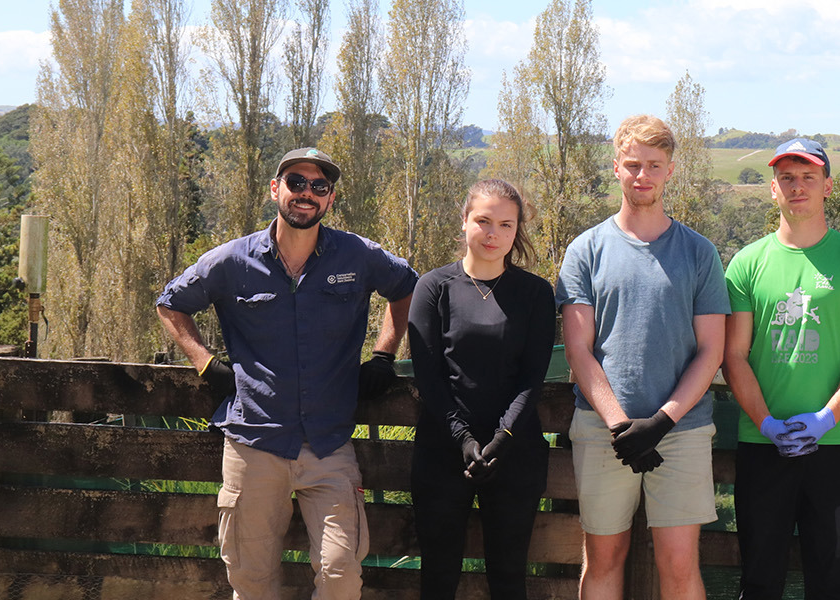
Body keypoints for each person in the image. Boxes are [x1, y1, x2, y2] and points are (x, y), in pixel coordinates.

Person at [156, 147, 417, 599]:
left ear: (330, 199)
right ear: (276, 189)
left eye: (319, 186)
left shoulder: (356, 256)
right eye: (296, 182)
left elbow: (408, 289)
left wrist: (383, 355)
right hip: (253, 443)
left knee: (341, 576)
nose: (307, 194)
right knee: (251, 581)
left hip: (329, 444)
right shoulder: (233, 261)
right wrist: (204, 361)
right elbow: (170, 303)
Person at [555, 114, 730, 600]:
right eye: (633, 164)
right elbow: (578, 350)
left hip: (683, 430)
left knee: (678, 563)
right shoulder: (585, 250)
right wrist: (619, 426)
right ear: (616, 167)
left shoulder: (699, 252)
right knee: (603, 558)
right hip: (600, 428)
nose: (642, 176)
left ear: (670, 170)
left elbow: (711, 350)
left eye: (654, 165)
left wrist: (661, 422)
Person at [722, 138, 840, 599]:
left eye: (808, 177)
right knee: (758, 578)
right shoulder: (746, 264)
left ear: (827, 186)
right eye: (786, 178)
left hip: (832, 446)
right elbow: (734, 356)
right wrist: (767, 422)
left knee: (829, 579)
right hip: (761, 444)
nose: (797, 187)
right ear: (772, 189)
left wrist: (826, 418)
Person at [407, 179, 554, 599]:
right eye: (484, 221)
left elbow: (532, 377)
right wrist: (463, 439)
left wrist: (501, 439)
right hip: (443, 453)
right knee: (438, 575)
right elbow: (428, 377)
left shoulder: (535, 294)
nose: (493, 234)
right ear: (465, 222)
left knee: (508, 577)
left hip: (514, 454)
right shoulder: (434, 288)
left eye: (506, 225)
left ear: (517, 230)